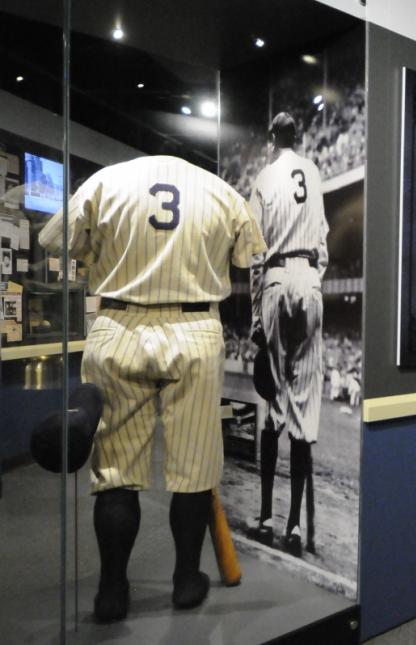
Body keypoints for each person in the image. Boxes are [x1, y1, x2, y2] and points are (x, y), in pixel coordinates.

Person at [38, 154, 266, 622]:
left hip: (119, 322)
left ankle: (112, 591)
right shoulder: (219, 190)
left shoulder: (106, 181)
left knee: (117, 471)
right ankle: (185, 580)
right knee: (195, 467)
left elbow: (54, 241)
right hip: (195, 326)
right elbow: (248, 256)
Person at [248, 112, 329, 557]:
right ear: (297, 138)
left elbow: (255, 253)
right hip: (309, 280)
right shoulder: (314, 173)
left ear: (270, 139)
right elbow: (323, 245)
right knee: (303, 409)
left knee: (274, 408)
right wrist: (312, 281)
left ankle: (264, 518)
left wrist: (257, 321)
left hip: (277, 279)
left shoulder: (263, 176)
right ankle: (295, 527)